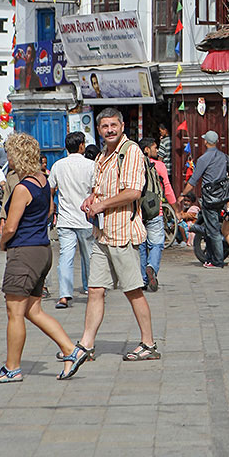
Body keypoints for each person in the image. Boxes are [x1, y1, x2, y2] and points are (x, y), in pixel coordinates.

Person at [0, 132, 86, 383]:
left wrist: (3, 243)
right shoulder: (43, 181)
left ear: (19, 155)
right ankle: (71, 350)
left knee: (14, 311)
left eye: (10, 154)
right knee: (33, 310)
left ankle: (12, 368)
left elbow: (10, 227)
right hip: (42, 249)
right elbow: (50, 210)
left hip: (24, 252)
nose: (9, 158)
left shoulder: (22, 187)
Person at [78, 108, 160, 362]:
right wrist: (92, 198)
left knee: (133, 290)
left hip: (123, 231)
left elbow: (134, 192)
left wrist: (102, 205)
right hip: (102, 233)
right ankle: (86, 345)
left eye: (114, 125)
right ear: (99, 130)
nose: (110, 130)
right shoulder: (102, 155)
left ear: (122, 126)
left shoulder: (131, 152)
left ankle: (148, 344)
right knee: (94, 290)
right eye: (105, 126)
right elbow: (101, 187)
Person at [49, 132, 95, 310]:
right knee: (89, 256)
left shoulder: (58, 166)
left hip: (66, 219)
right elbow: (95, 191)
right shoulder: (91, 165)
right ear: (82, 145)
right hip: (86, 218)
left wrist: (51, 209)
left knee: (65, 258)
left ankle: (64, 296)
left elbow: (51, 189)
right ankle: (92, 290)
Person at [181, 130, 229, 269]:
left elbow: (193, 180)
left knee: (213, 230)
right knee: (215, 227)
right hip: (223, 198)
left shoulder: (203, 159)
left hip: (210, 199)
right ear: (217, 142)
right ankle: (212, 257)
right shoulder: (224, 157)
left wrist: (182, 194)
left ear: (206, 142)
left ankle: (217, 261)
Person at [139, 137, 177, 292]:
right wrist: (176, 208)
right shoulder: (159, 166)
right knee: (156, 244)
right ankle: (152, 267)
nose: (157, 150)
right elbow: (167, 188)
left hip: (138, 212)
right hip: (156, 211)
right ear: (146, 149)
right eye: (154, 147)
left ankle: (142, 279)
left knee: (141, 247)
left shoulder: (135, 165)